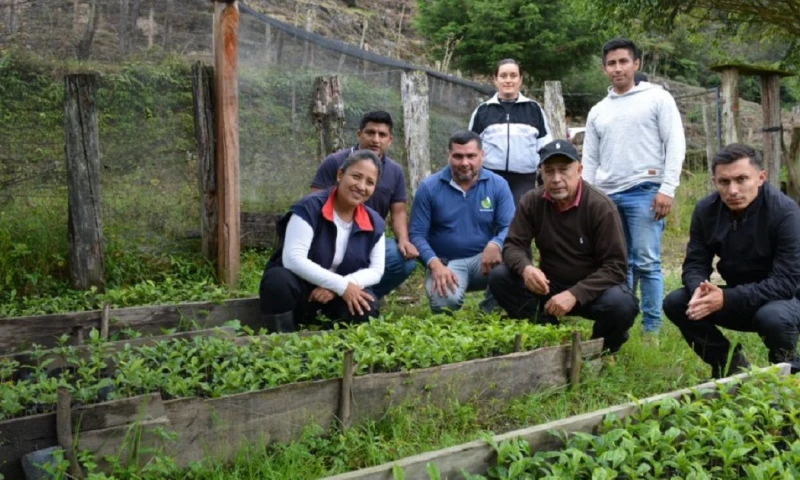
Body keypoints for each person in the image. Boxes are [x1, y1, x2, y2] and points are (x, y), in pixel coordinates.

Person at [489, 140, 639, 354]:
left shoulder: (600, 206)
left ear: (579, 170)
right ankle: (546, 335)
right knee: (500, 276)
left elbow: (615, 267)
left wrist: (575, 294)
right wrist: (526, 268)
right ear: (541, 173)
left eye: (564, 170)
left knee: (623, 304)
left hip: (593, 290)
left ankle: (601, 350)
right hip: (550, 284)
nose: (556, 179)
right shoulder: (532, 201)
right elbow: (513, 245)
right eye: (549, 171)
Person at [663, 144, 800, 377]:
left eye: (741, 179)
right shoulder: (706, 210)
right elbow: (695, 262)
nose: (733, 190)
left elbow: (786, 282)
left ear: (761, 178)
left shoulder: (785, 213)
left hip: (787, 299)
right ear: (714, 181)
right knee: (677, 302)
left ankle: (787, 375)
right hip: (740, 298)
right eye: (724, 182)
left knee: (772, 317)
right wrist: (699, 289)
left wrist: (726, 297)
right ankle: (728, 365)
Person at [582, 38, 686, 340]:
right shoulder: (598, 110)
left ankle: (651, 330)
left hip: (645, 191)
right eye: (611, 63)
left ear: (636, 63)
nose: (618, 68)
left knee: (647, 261)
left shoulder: (657, 98)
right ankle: (622, 323)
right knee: (618, 265)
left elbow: (675, 143)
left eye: (623, 61)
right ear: (604, 69)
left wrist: (668, 188)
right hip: (606, 196)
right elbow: (589, 158)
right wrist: (589, 198)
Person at [260, 150, 386, 332]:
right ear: (340, 174)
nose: (361, 186)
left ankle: (334, 343)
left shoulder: (375, 223)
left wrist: (339, 287)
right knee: (278, 281)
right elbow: (293, 258)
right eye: (356, 176)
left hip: (337, 295)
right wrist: (341, 285)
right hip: (302, 290)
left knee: (367, 305)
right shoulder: (309, 208)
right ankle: (281, 340)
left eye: (370, 182)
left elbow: (376, 270)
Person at [311, 110, 416, 300]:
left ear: (390, 140)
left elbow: (398, 212)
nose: (376, 139)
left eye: (382, 135)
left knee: (403, 261)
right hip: (332, 238)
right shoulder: (334, 162)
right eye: (370, 133)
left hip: (368, 240)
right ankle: (332, 289)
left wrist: (403, 240)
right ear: (359, 134)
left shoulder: (395, 172)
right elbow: (314, 204)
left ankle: (363, 296)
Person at [410, 130, 514, 313]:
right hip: (446, 263)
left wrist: (496, 243)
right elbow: (417, 235)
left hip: (484, 260)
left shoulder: (498, 184)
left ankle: (489, 312)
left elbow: (510, 226)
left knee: (515, 255)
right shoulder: (429, 187)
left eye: (471, 156)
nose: (465, 163)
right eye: (458, 156)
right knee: (445, 303)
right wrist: (435, 264)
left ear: (482, 155)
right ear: (448, 155)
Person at [469, 59, 553, 205]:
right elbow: (471, 147)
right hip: (490, 178)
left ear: (520, 80)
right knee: (489, 221)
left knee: (519, 222)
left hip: (524, 179)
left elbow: (545, 146)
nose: (508, 80)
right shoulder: (482, 111)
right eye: (503, 76)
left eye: (513, 76)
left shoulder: (534, 109)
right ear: (495, 79)